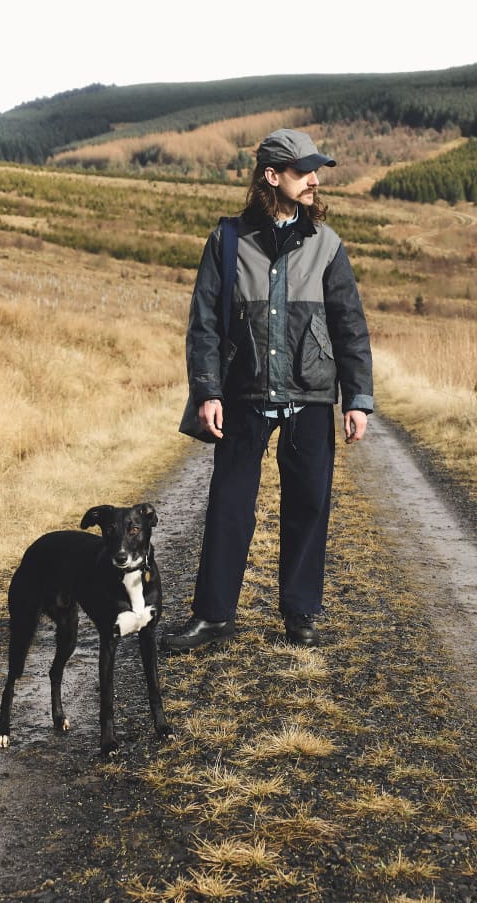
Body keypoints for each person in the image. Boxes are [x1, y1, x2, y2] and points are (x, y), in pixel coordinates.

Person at [162, 129, 373, 651]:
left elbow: (350, 325)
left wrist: (358, 399)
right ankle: (213, 616)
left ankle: (301, 613)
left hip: (311, 395)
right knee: (229, 505)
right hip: (244, 394)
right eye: (304, 172)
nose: (314, 181)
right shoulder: (227, 239)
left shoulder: (327, 244)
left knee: (309, 506)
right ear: (272, 177)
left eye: (315, 172)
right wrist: (208, 391)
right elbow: (205, 324)